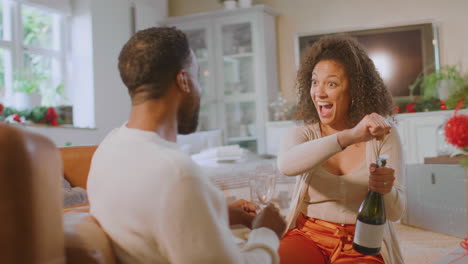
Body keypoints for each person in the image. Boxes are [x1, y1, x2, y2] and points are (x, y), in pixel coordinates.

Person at [87, 27, 286, 264]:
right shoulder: (177, 173)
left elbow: (150, 222)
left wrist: (216, 212)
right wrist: (267, 232)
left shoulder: (108, 149)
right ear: (183, 80)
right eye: (197, 77)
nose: (199, 89)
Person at [277, 35, 406, 264]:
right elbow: (286, 165)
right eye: (315, 82)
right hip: (308, 235)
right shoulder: (304, 134)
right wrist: (349, 136)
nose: (319, 93)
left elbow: (396, 213)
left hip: (363, 239)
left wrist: (386, 189)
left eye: (332, 83)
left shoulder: (382, 134)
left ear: (355, 91)